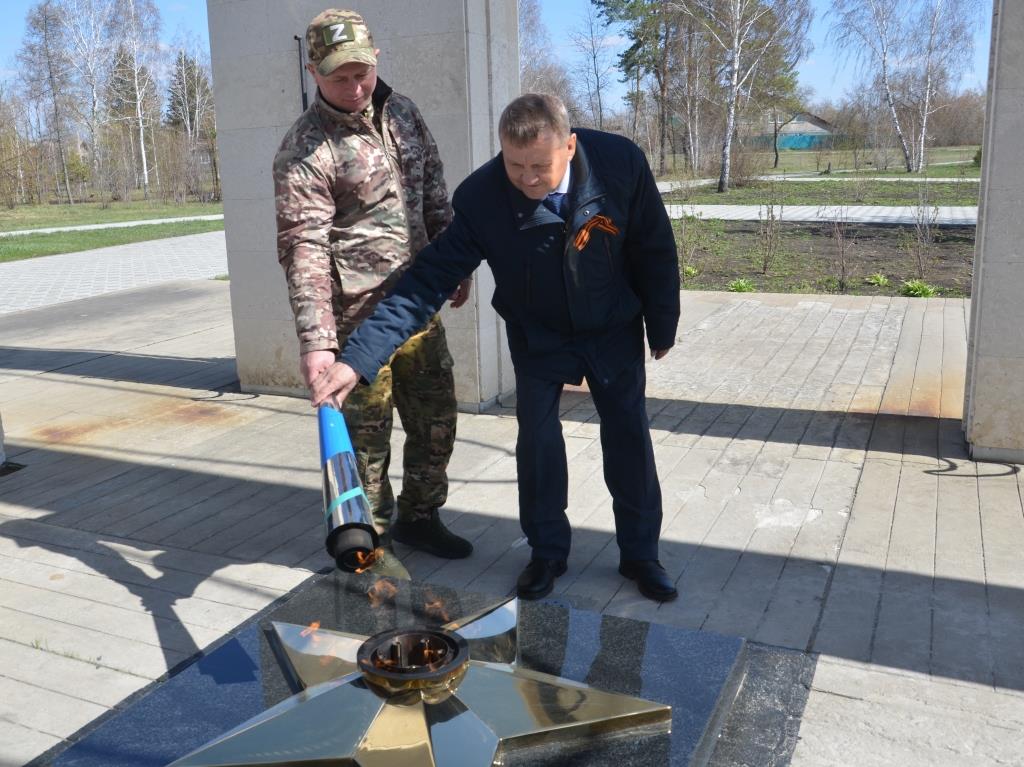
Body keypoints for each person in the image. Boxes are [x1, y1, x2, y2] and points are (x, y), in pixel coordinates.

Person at [310, 93, 681, 603]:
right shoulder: (483, 198)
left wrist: (662, 325)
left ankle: (641, 554)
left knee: (629, 437)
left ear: (569, 147)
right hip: (538, 332)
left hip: (611, 325)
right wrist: (357, 358)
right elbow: (426, 282)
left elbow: (654, 246)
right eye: (515, 165)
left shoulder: (620, 165)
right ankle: (547, 552)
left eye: (540, 167)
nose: (528, 179)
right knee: (538, 443)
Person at [273, 8, 474, 569]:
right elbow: (303, 247)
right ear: (314, 72)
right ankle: (370, 540)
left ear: (375, 58)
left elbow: (433, 188)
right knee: (365, 444)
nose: (354, 86)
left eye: (361, 71)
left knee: (436, 423)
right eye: (339, 76)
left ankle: (421, 517)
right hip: (356, 322)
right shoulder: (305, 148)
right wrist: (317, 341)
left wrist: (453, 260)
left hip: (418, 308)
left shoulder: (403, 114)